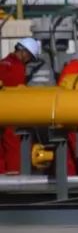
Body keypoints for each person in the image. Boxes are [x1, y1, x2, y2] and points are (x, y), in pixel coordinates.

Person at [0, 38, 41, 173]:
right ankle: (14, 176)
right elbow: (18, 92)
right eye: (29, 57)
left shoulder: (3, 62)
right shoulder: (17, 68)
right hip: (11, 112)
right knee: (14, 146)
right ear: (24, 52)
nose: (28, 61)